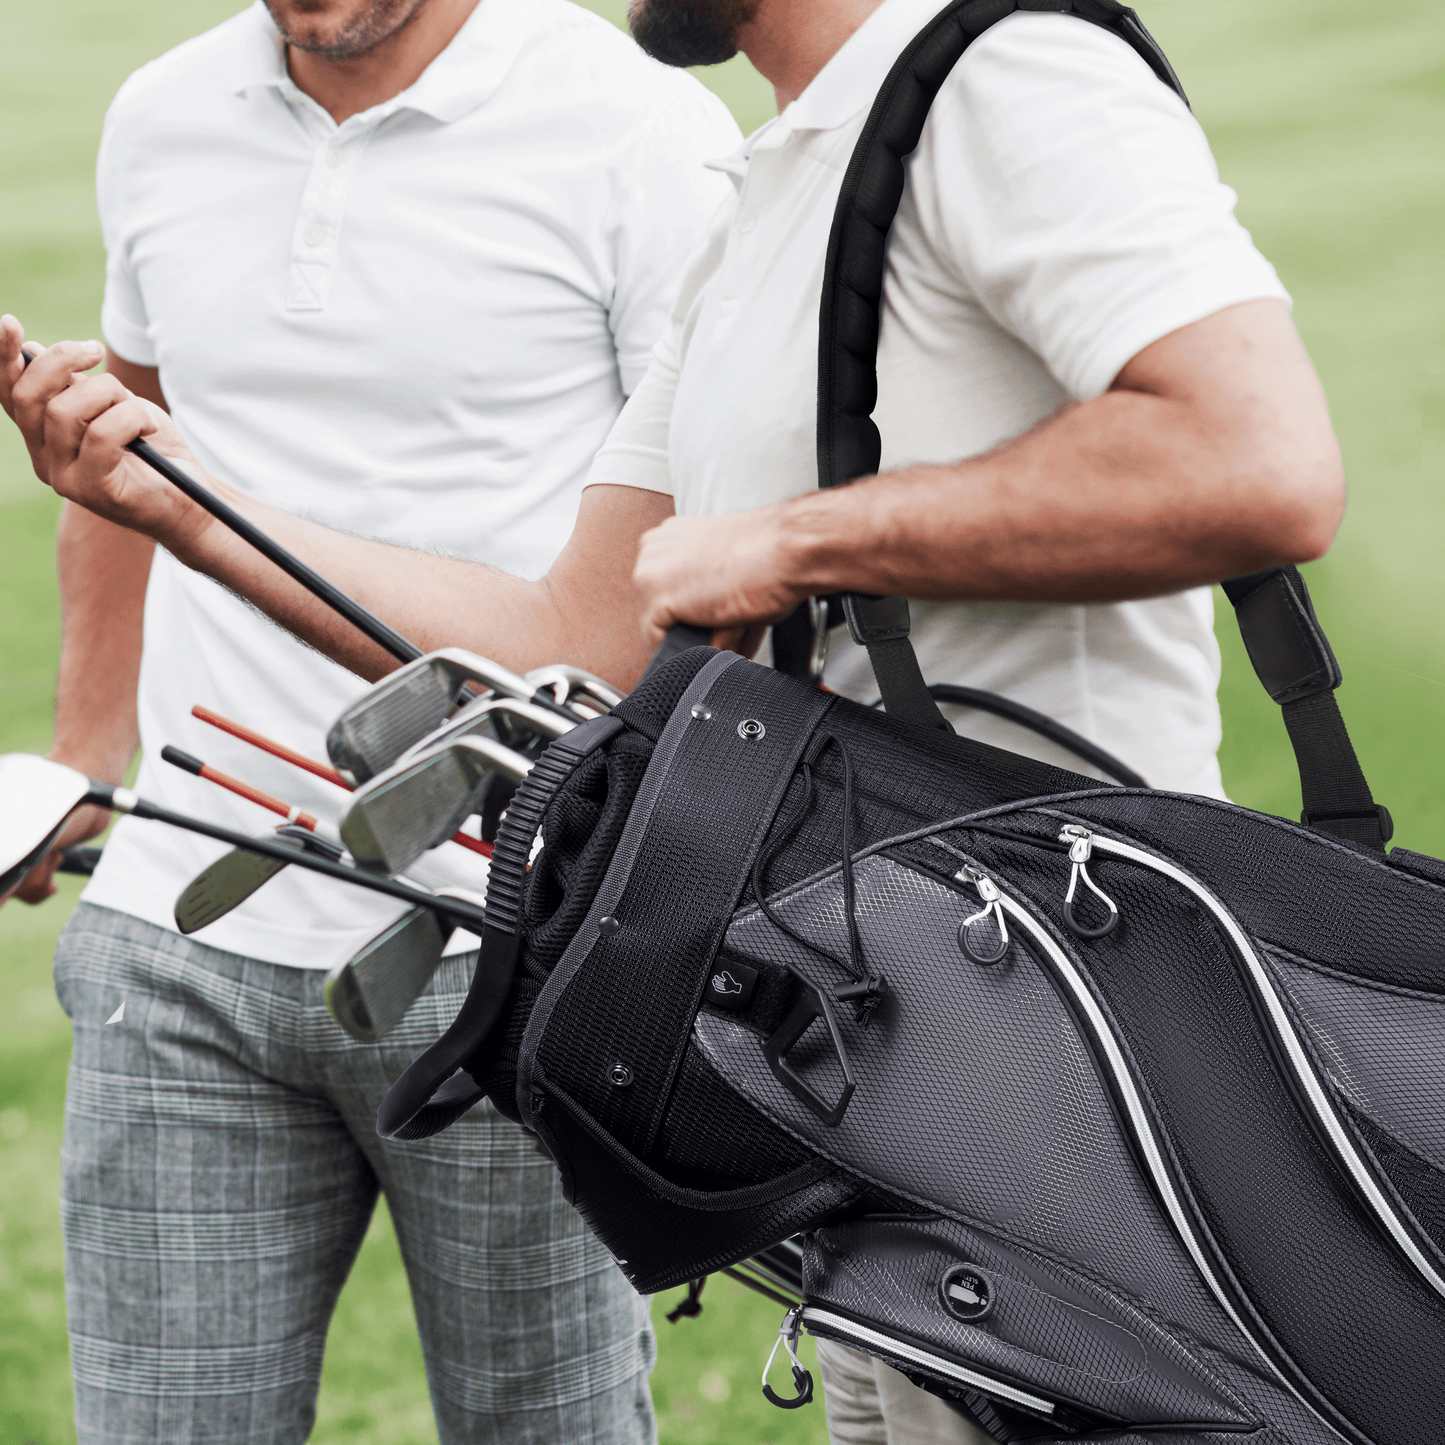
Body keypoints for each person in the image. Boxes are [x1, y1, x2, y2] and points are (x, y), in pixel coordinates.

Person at [3, 0, 1347, 1438]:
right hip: (867, 1081)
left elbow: (1252, 455)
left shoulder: (1004, 74)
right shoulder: (768, 192)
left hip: (1067, 1073)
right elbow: (574, 640)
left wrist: (800, 544)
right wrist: (181, 512)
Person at [0, 0, 740, 1439]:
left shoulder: (642, 129)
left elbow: (669, 591)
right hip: (180, 933)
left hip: (510, 951)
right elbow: (133, 455)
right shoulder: (162, 112)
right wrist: (88, 745)